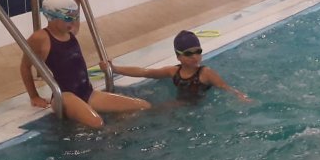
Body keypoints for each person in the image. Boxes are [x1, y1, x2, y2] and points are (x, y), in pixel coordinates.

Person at [19, 0, 151, 128]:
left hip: (87, 92)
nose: (72, 22)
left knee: (142, 106)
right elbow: (25, 66)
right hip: (64, 96)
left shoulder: (70, 31)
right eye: (68, 18)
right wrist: (34, 96)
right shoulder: (40, 38)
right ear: (52, 17)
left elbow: (74, 22)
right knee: (96, 122)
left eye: (75, 17)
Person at [103, 30, 249, 100]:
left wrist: (240, 96)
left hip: (199, 105)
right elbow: (145, 72)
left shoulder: (206, 73)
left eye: (198, 51)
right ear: (178, 57)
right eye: (189, 53)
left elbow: (224, 87)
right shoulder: (173, 72)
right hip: (181, 105)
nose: (195, 57)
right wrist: (114, 69)